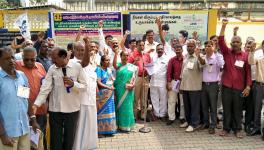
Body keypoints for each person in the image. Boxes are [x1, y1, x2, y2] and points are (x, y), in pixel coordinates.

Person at [32, 48, 87, 150]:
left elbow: (84, 87)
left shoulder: (77, 67)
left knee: (69, 138)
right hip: (55, 110)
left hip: (72, 109)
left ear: (63, 57)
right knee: (55, 139)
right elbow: (45, 88)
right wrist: (36, 104)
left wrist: (73, 84)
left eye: (55, 58)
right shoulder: (52, 69)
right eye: (52, 58)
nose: (52, 61)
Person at [218, 19, 251, 138]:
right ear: (231, 44)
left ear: (241, 43)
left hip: (239, 88)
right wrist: (223, 26)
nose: (235, 43)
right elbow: (221, 41)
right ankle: (226, 128)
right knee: (226, 109)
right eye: (233, 42)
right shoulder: (227, 53)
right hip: (226, 86)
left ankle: (238, 129)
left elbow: (248, 73)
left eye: (237, 41)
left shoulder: (245, 56)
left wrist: (248, 86)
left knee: (237, 109)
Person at [0, 46, 35, 150]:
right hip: (8, 134)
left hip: (24, 129)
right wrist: (2, 134)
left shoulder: (21, 76)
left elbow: (26, 99)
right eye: (7, 59)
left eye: (12, 57)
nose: (11, 61)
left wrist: (33, 119)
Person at [15, 47, 48, 150]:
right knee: (25, 142)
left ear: (36, 58)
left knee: (38, 140)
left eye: (32, 59)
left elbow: (46, 86)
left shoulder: (41, 66)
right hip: (24, 112)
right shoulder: (16, 66)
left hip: (40, 110)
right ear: (22, 57)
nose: (29, 62)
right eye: (26, 59)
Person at [180, 39, 205, 132]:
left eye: (191, 46)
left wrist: (199, 56)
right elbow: (183, 72)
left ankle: (194, 124)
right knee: (187, 106)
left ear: (195, 47)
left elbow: (203, 64)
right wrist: (181, 86)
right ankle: (188, 121)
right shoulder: (186, 56)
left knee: (194, 107)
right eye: (188, 46)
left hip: (194, 87)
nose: (189, 48)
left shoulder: (199, 56)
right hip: (185, 86)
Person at [201, 41, 224, 134]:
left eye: (209, 46)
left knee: (213, 106)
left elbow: (221, 65)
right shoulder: (203, 57)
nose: (207, 47)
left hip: (213, 85)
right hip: (203, 85)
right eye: (206, 46)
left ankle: (213, 125)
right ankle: (206, 123)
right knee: (204, 106)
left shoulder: (217, 56)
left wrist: (216, 53)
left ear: (213, 47)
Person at [113, 49, 137, 132]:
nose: (125, 57)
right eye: (124, 55)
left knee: (128, 107)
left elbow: (134, 78)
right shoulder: (119, 65)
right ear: (121, 56)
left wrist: (133, 84)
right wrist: (115, 54)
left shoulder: (132, 67)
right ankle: (120, 125)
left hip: (129, 90)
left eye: (127, 55)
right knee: (120, 107)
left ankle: (128, 126)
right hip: (119, 90)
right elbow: (114, 65)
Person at [128, 40, 152, 121]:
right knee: (135, 97)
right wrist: (135, 62)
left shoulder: (147, 55)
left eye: (143, 45)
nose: (142, 47)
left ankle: (143, 115)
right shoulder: (132, 55)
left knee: (144, 98)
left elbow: (151, 65)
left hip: (145, 78)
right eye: (140, 45)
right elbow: (129, 67)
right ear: (136, 46)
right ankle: (134, 115)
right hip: (137, 78)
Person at [96, 55, 117, 135]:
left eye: (109, 60)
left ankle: (110, 130)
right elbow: (98, 82)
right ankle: (100, 131)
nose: (108, 62)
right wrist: (108, 87)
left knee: (110, 111)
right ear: (102, 61)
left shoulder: (109, 70)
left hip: (110, 94)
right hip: (103, 95)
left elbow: (111, 80)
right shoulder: (99, 69)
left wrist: (111, 86)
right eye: (106, 60)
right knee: (102, 112)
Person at [248, 42, 264, 140]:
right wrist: (252, 51)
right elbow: (251, 62)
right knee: (257, 108)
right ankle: (256, 128)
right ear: (262, 46)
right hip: (259, 85)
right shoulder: (259, 55)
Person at [166, 44, 185, 126]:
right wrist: (169, 82)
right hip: (174, 82)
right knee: (171, 100)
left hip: (183, 82)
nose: (178, 51)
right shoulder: (172, 60)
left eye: (179, 49)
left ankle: (182, 117)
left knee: (182, 101)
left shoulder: (186, 59)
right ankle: (171, 118)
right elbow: (169, 72)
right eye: (176, 50)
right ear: (174, 51)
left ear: (182, 50)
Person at [149, 44, 169, 120]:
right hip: (153, 81)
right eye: (158, 49)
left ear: (163, 50)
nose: (159, 50)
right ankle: (156, 114)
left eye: (161, 49)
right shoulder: (153, 58)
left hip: (163, 81)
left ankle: (162, 114)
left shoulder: (167, 59)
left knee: (163, 98)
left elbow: (169, 71)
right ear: (156, 50)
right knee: (154, 98)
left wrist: (168, 82)